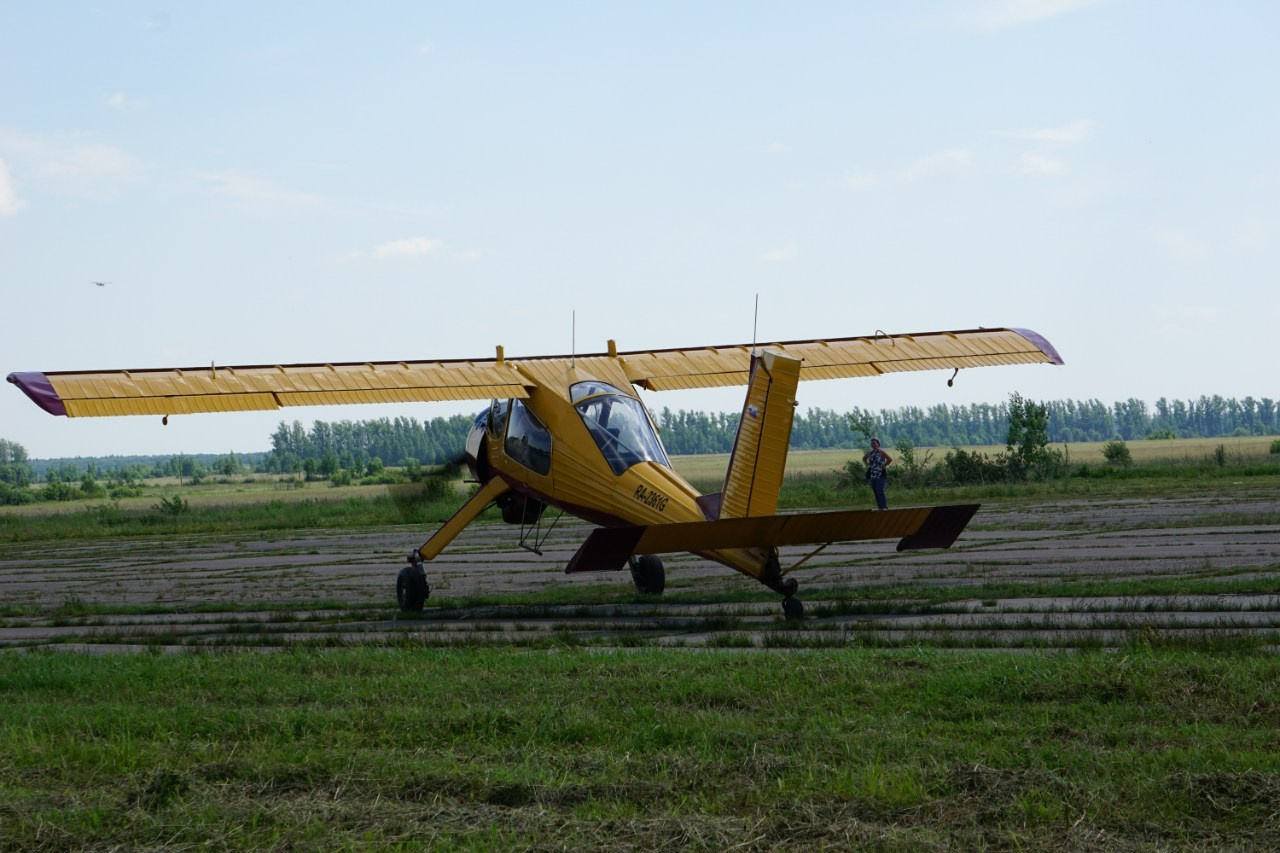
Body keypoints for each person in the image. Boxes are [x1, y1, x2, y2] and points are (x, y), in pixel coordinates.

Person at [862, 437, 893, 510]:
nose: (873, 444)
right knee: (875, 491)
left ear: (878, 444)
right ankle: (880, 507)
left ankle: (884, 507)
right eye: (871, 443)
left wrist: (884, 465)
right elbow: (864, 458)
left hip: (880, 474)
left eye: (874, 443)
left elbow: (890, 459)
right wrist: (868, 465)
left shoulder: (881, 452)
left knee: (880, 490)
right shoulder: (870, 453)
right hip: (873, 474)